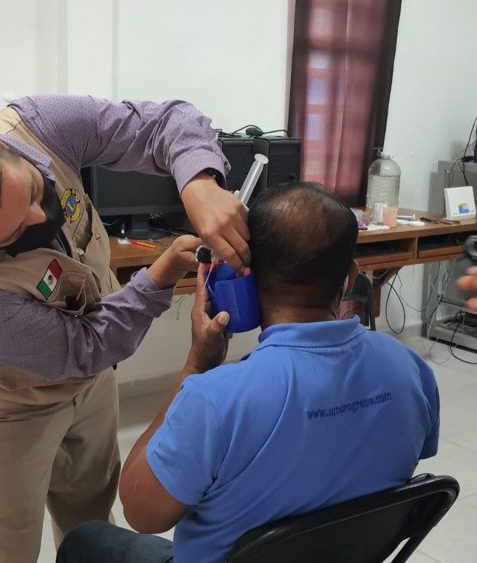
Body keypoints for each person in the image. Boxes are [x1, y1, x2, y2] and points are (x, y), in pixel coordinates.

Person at [56, 181, 440, 563]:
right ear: (351, 275)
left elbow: (141, 512)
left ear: (245, 276)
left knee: (86, 539)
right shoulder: (410, 371)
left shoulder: (215, 398)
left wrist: (195, 366)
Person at [0, 94, 250, 563]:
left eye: (36, 192)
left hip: (94, 381)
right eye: (16, 232)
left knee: (91, 522)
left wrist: (199, 183)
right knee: (7, 543)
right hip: (8, 405)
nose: (41, 218)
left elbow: (166, 121)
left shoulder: (38, 126)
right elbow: (85, 347)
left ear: (2, 146)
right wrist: (159, 277)